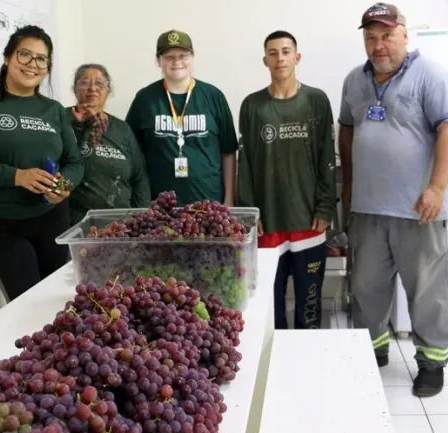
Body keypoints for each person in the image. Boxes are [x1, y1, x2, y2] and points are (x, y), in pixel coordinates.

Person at [338, 3, 448, 397]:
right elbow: (346, 131)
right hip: (366, 210)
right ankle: (372, 353)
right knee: (366, 289)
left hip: (418, 211)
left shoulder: (430, 75)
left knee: (427, 292)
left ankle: (431, 363)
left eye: (387, 35)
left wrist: (437, 187)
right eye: (370, 37)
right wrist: (348, 189)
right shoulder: (354, 81)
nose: (378, 45)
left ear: (405, 36)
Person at [0, 25, 83, 303]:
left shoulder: (54, 110)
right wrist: (16, 177)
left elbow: (74, 162)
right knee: (26, 304)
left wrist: (65, 185)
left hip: (53, 219)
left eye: (41, 59)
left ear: (47, 67)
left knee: (60, 300)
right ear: (8, 57)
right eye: (24, 55)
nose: (32, 64)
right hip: (2, 221)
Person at [237, 31, 337, 331]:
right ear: (265, 60)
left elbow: (326, 159)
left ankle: (308, 358)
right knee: (269, 302)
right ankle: (274, 361)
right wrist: (252, 215)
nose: (279, 58)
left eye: (285, 51)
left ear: (297, 56)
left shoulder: (317, 100)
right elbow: (246, 166)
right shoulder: (252, 105)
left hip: (308, 221)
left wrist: (324, 207)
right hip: (269, 223)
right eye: (273, 52)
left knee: (309, 300)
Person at [125, 29, 238, 206]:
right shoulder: (145, 99)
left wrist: (229, 199)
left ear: (192, 57)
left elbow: (228, 151)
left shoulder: (213, 96)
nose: (176, 62)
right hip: (160, 205)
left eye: (183, 55)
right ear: (159, 61)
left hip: (210, 203)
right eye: (169, 57)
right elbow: (130, 153)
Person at [67, 64, 151, 225]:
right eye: (84, 83)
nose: (92, 89)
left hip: (121, 225)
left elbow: (139, 177)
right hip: (77, 224)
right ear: (74, 88)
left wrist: (141, 219)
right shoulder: (62, 119)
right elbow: (65, 162)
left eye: (99, 84)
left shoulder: (122, 129)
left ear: (108, 90)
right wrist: (79, 127)